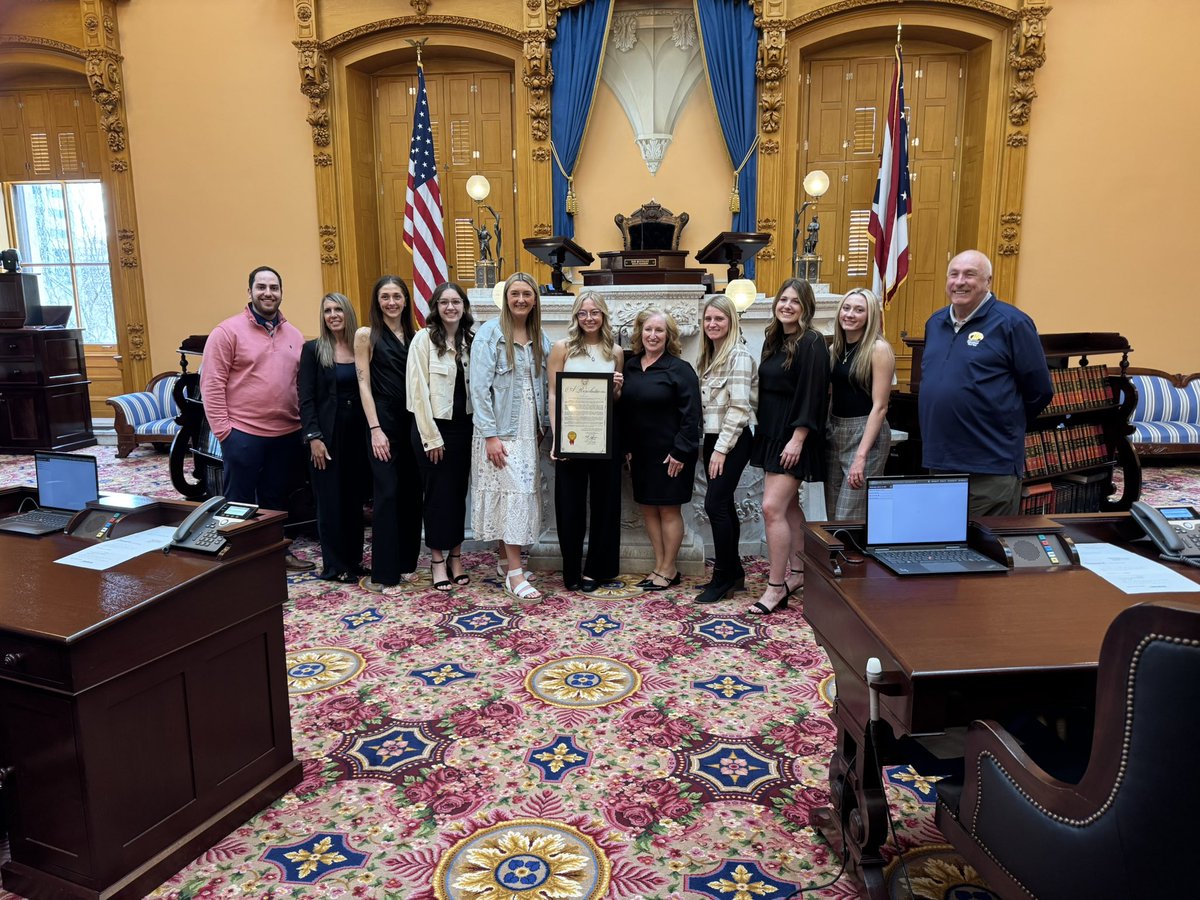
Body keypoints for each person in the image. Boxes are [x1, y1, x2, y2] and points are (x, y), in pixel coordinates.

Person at [919, 250, 1053, 517]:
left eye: (970, 274)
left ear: (988, 281)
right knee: (944, 547)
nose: (960, 282)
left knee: (987, 552)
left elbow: (1040, 390)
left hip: (990, 465)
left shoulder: (1012, 323)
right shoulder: (935, 323)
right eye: (954, 274)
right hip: (941, 461)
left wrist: (1001, 420)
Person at [200, 265, 312, 571]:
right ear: (249, 292)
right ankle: (238, 558)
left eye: (274, 288)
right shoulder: (227, 332)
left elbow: (299, 384)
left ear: (281, 293)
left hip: (286, 432)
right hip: (243, 433)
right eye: (261, 287)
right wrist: (224, 432)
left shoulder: (294, 335)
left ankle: (276, 552)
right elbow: (211, 384)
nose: (268, 293)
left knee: (276, 499)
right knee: (238, 500)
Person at [748, 278, 829, 615]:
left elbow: (813, 394)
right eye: (783, 300)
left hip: (794, 436)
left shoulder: (812, 342)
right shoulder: (775, 339)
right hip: (771, 433)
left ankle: (775, 586)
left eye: (795, 301)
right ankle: (798, 572)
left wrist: (798, 438)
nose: (787, 306)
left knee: (771, 508)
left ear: (805, 306)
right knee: (789, 507)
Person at [470, 272, 551, 601]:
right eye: (515, 293)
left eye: (527, 294)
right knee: (514, 496)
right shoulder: (489, 334)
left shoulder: (539, 337)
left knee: (514, 497)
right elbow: (478, 388)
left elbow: (543, 387)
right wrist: (490, 434)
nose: (520, 299)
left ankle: (506, 561)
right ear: (506, 298)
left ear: (535, 300)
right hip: (500, 431)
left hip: (527, 432)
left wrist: (543, 425)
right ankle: (515, 575)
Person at [547, 291, 624, 592]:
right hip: (571, 438)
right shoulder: (562, 349)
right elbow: (554, 394)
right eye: (583, 313)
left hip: (605, 437)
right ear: (576, 316)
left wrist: (617, 390)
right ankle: (571, 571)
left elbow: (614, 400)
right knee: (570, 505)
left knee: (606, 505)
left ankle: (596, 570)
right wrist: (557, 438)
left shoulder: (615, 352)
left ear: (603, 315)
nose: (589, 318)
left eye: (595, 312)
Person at [621, 308, 701, 591]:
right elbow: (625, 411)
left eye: (659, 331)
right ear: (639, 333)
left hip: (671, 454)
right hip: (640, 453)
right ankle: (659, 565)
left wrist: (680, 451)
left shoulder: (680, 370)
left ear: (669, 336)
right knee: (648, 510)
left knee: (668, 511)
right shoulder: (630, 366)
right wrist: (627, 449)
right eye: (648, 330)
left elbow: (692, 417)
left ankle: (669, 568)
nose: (653, 335)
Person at [354, 275, 424, 593]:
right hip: (382, 422)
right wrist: (375, 429)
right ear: (377, 301)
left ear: (406, 301)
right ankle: (385, 573)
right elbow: (363, 385)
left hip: (411, 422)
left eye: (397, 296)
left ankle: (407, 563)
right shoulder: (366, 335)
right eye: (385, 297)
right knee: (387, 494)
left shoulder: (416, 335)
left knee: (411, 494)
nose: (391, 302)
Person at [406, 282, 474, 591]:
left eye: (456, 302)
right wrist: (431, 438)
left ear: (464, 306)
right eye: (444, 302)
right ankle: (436, 560)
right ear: (436, 307)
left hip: (465, 429)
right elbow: (417, 392)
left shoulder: (471, 340)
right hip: (433, 430)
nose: (450, 307)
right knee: (436, 497)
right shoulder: (423, 340)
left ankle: (456, 557)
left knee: (458, 495)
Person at [298, 292, 367, 581]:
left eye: (338, 309)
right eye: (327, 311)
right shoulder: (313, 349)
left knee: (354, 501)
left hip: (357, 436)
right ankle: (335, 566)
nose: (333, 315)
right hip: (326, 437)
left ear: (348, 313)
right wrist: (313, 436)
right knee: (330, 501)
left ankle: (354, 562)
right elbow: (306, 398)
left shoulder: (360, 347)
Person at [695, 294, 757, 604]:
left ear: (731, 321)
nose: (712, 324)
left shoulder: (739, 355)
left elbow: (739, 408)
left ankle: (722, 577)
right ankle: (734, 574)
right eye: (708, 319)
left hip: (731, 440)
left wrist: (720, 450)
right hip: (713, 439)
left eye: (719, 318)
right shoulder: (711, 355)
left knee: (715, 505)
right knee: (724, 505)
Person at [824, 288, 895, 520]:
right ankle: (836, 557)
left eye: (858, 310)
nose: (850, 314)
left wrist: (861, 456)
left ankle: (853, 556)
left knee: (849, 515)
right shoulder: (835, 349)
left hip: (866, 434)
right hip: (836, 430)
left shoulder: (878, 349)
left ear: (870, 315)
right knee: (833, 512)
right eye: (846, 308)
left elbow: (880, 407)